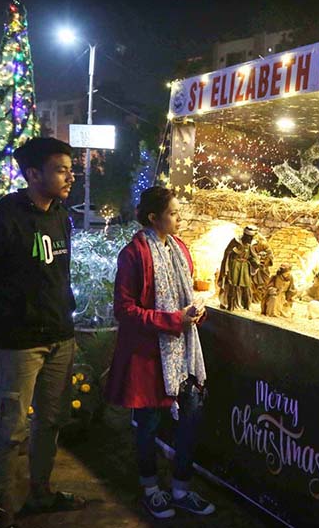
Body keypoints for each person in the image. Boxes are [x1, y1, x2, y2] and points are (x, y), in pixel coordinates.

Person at [0, 137, 84, 527]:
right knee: (10, 431)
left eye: (69, 168)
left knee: (51, 422)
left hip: (61, 337)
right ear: (32, 174)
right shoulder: (0, 221)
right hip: (18, 346)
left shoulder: (61, 215)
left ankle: (40, 494)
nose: (70, 176)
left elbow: (57, 276)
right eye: (61, 169)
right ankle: (2, 512)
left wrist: (65, 315)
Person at [104, 186, 215, 519]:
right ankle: (151, 488)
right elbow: (124, 310)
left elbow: (187, 294)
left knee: (190, 422)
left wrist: (195, 313)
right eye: (174, 212)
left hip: (184, 356)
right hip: (148, 357)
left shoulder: (180, 248)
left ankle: (181, 488)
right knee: (148, 425)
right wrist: (173, 320)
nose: (180, 217)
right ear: (154, 217)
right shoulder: (134, 254)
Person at [217, 225, 259, 310]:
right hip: (234, 266)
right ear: (245, 235)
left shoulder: (250, 244)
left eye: (252, 237)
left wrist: (255, 262)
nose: (250, 239)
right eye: (249, 237)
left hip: (245, 267)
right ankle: (230, 305)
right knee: (233, 285)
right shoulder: (236, 241)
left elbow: (251, 255)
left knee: (246, 286)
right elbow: (227, 252)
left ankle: (246, 306)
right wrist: (234, 252)